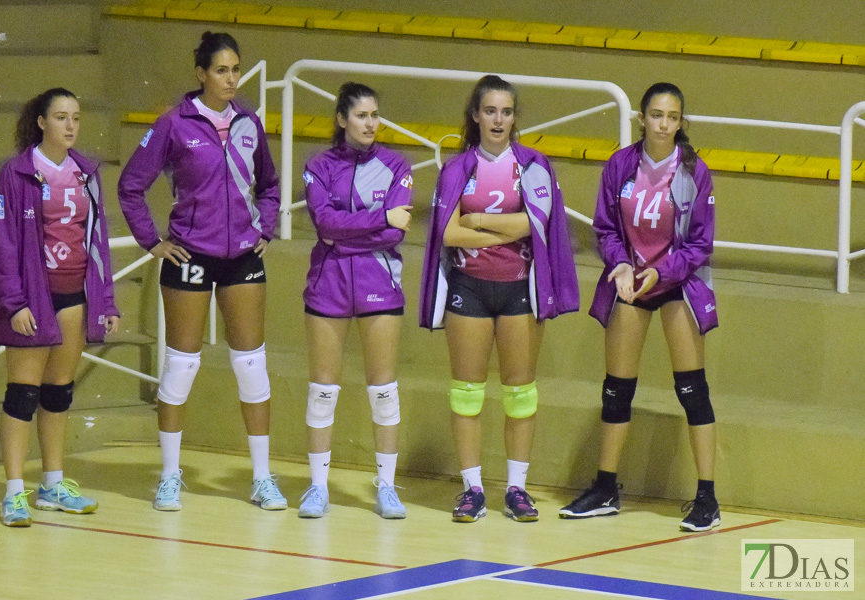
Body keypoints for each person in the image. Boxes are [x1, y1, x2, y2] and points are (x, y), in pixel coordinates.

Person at [118, 32, 286, 512]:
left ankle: (262, 478)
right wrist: (153, 242)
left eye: (236, 69)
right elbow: (131, 186)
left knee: (251, 366)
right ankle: (169, 477)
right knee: (183, 364)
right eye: (221, 70)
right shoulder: (173, 124)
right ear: (201, 73)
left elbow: (270, 184)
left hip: (242, 258)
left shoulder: (250, 123)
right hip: (190, 256)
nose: (231, 78)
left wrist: (267, 228)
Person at [418, 75, 579, 523]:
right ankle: (472, 490)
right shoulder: (455, 169)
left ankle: (517, 490)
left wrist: (478, 220)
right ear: (475, 115)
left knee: (520, 395)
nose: (498, 119)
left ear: (514, 118)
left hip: (519, 290)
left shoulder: (533, 166)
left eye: (506, 112)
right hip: (468, 288)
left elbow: (534, 226)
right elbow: (447, 234)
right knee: (467, 394)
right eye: (490, 111)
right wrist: (504, 222)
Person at [559, 82, 720, 532]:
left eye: (672, 117)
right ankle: (606, 487)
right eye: (656, 115)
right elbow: (606, 229)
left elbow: (701, 244)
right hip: (631, 283)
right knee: (616, 389)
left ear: (680, 123)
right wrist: (622, 266)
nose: (663, 124)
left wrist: (662, 272)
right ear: (642, 119)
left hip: (677, 284)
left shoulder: (693, 171)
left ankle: (707, 497)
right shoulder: (620, 164)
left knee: (693, 391)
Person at [0, 88, 120, 527]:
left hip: (73, 294)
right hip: (30, 298)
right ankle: (12, 493)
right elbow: (1, 243)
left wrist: (106, 300)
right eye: (61, 117)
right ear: (41, 122)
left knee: (58, 392)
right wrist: (13, 302)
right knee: (22, 393)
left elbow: (96, 241)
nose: (70, 125)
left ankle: (52, 485)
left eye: (75, 117)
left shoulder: (86, 172)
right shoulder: (16, 174)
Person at [297, 83, 414, 519]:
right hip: (328, 282)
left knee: (383, 390)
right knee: (323, 390)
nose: (371, 123)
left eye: (375, 115)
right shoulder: (318, 166)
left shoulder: (396, 165)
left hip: (379, 280)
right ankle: (317, 488)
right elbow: (322, 220)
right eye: (362, 115)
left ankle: (386, 486)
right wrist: (379, 216)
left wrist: (346, 232)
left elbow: (396, 232)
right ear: (342, 119)